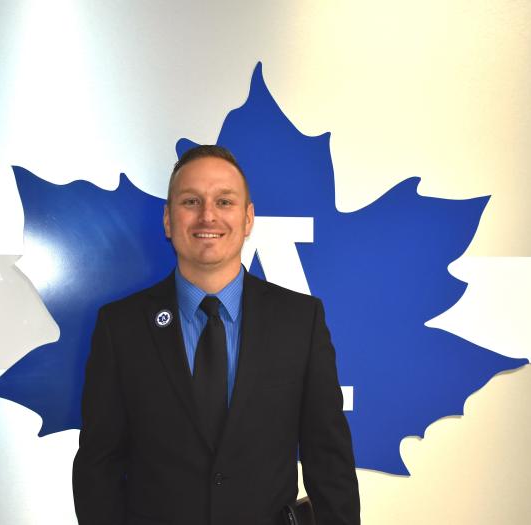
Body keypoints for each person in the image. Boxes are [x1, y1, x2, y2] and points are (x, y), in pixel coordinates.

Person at [72, 145, 360, 525]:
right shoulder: (120, 327)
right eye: (191, 201)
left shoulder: (301, 321)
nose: (207, 215)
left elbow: (330, 460)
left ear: (247, 218)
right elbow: (98, 466)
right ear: (168, 220)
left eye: (224, 201)